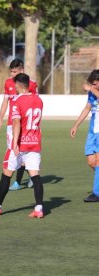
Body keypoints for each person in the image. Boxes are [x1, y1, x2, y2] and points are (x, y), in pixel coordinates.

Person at [0, 73, 45, 218]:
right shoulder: (39, 100)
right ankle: (39, 209)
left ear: (18, 85)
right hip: (34, 142)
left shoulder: (17, 100)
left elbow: (16, 122)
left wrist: (15, 142)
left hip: (20, 143)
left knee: (6, 173)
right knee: (35, 175)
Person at [0, 59, 38, 191]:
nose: (12, 74)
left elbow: (35, 103)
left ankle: (19, 180)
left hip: (25, 125)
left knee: (20, 152)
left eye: (15, 71)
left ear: (22, 70)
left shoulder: (31, 84)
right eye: (11, 71)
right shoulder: (8, 83)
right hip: (12, 124)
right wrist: (0, 119)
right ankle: (23, 179)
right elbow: (5, 102)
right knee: (15, 151)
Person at [70, 69, 99, 202]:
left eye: (94, 84)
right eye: (91, 84)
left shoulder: (93, 91)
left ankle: (97, 193)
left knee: (98, 161)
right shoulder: (92, 94)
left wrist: (91, 89)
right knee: (91, 162)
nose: (92, 86)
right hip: (93, 132)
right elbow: (87, 108)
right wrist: (76, 125)